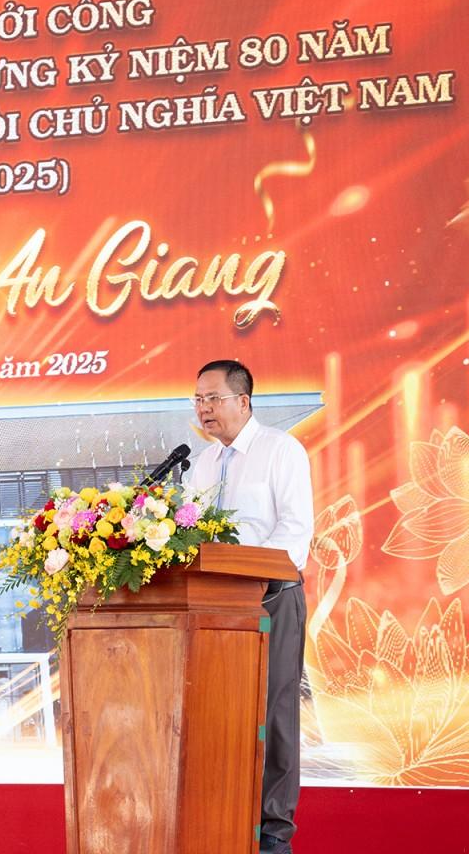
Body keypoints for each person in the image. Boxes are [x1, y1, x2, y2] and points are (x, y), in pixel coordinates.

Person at [185, 359, 313, 854]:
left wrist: (248, 574)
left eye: (212, 398)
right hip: (215, 605)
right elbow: (190, 537)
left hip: (272, 598)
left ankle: (273, 834)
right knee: (221, 712)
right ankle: (224, 822)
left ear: (243, 401)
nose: (204, 408)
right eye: (198, 399)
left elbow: (295, 530)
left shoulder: (281, 450)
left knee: (273, 714)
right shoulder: (201, 463)